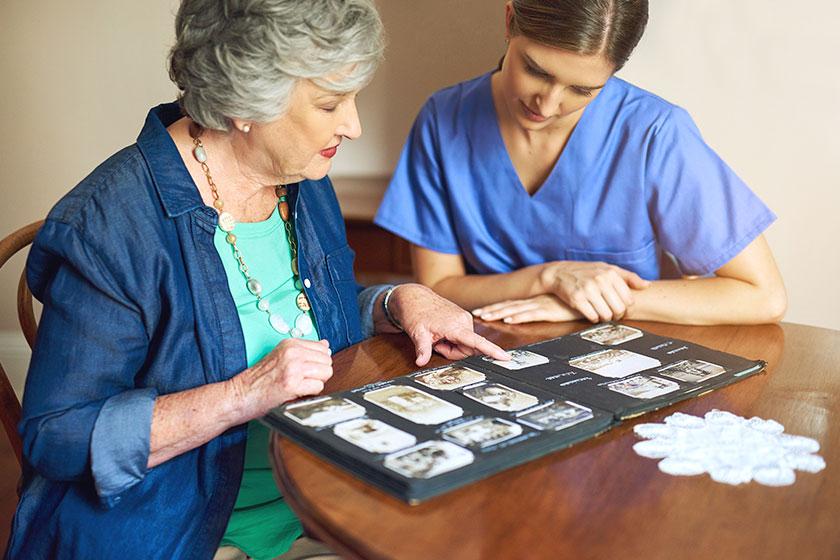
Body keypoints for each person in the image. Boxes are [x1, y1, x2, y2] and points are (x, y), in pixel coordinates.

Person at [4, 1, 509, 559]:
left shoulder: (299, 176)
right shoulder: (108, 225)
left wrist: (398, 300)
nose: (354, 125)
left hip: (322, 496)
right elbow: (57, 436)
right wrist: (244, 395)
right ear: (246, 101)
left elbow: (306, 316)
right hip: (183, 530)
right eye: (329, 103)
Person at [374, 0, 787, 326]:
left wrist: (591, 304)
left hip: (627, 365)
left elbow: (762, 295)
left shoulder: (653, 133)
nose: (548, 104)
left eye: (582, 89)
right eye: (536, 70)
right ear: (509, 20)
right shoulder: (443, 120)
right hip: (491, 356)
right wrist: (550, 279)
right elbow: (438, 286)